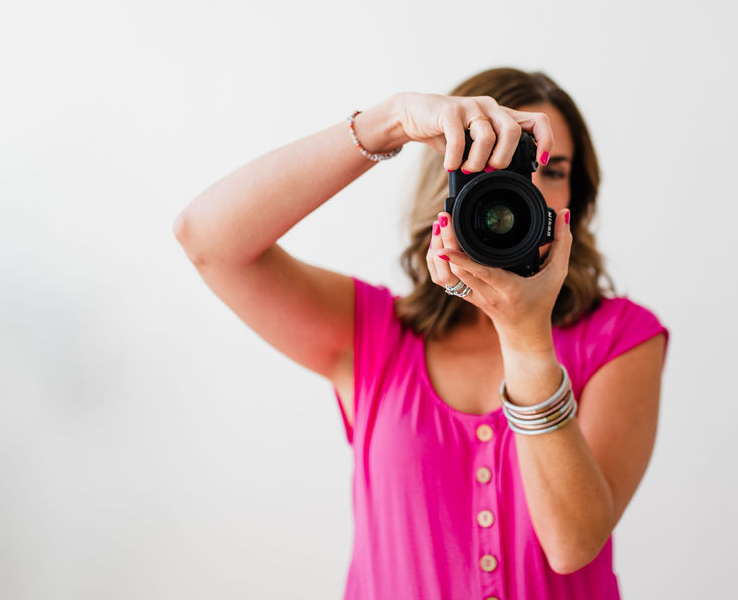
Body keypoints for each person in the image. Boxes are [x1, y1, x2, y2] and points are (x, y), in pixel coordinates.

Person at [173, 67, 670, 599]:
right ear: (450, 182)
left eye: (550, 170)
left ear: (578, 199)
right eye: (494, 165)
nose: (523, 189)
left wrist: (526, 338)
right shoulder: (372, 335)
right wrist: (389, 122)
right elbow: (206, 238)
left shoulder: (623, 337)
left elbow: (571, 544)